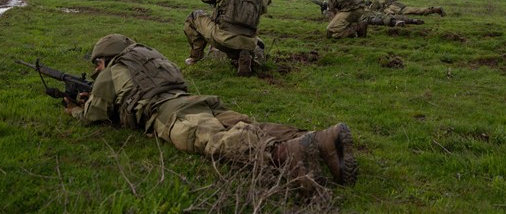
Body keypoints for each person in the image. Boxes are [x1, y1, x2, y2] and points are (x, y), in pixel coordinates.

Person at [64, 34, 358, 191]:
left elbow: (95, 115)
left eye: (98, 64)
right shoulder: (150, 56)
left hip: (169, 113)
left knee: (211, 140)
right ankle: (318, 139)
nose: (97, 69)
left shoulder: (112, 70)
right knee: (245, 123)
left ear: (105, 58)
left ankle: (283, 154)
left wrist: (76, 109)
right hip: (196, 100)